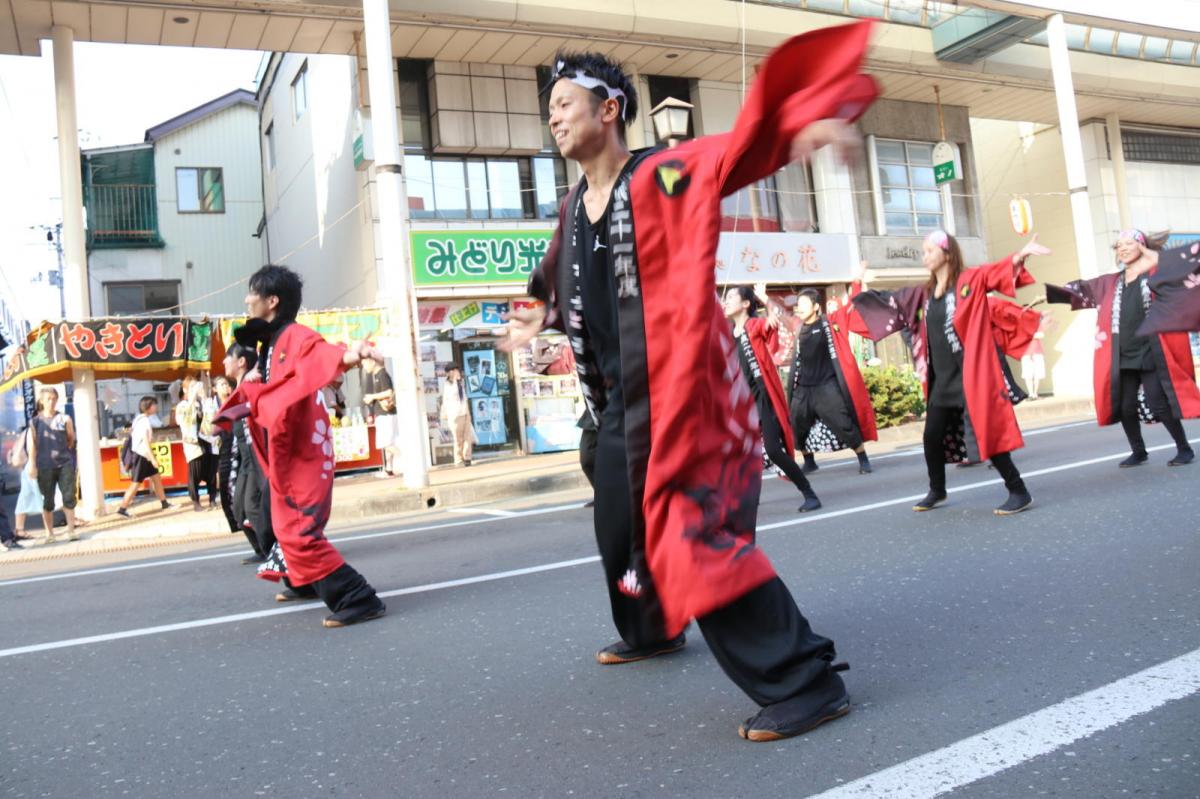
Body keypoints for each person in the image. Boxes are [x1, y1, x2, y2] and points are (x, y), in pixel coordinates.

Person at [499, 23, 877, 742]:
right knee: (618, 519)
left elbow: (728, 154)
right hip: (618, 405)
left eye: (564, 100)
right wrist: (526, 322)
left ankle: (804, 680)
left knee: (687, 537)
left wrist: (811, 123)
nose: (552, 115)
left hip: (684, 393)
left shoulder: (657, 175)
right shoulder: (574, 210)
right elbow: (546, 281)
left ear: (609, 108)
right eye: (548, 105)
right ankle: (653, 626)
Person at [217, 264, 385, 628]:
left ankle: (357, 596)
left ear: (271, 301)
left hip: (303, 452)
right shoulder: (272, 342)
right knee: (284, 525)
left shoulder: (294, 337)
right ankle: (304, 579)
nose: (247, 300)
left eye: (252, 293)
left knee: (298, 530)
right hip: (287, 449)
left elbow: (320, 354)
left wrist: (351, 354)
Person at [852, 230, 1051, 514]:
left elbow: (994, 274)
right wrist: (857, 285)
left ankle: (1019, 491)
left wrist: (1020, 254)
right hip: (942, 378)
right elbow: (889, 302)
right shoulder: (922, 294)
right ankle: (937, 490)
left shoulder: (969, 281)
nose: (925, 256)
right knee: (931, 436)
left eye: (929, 251)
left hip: (970, 373)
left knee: (988, 434)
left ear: (947, 253)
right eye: (923, 252)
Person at [1047, 230, 1199, 467]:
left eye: (1129, 243)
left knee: (1158, 400)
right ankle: (1138, 451)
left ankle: (1184, 448)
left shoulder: (1157, 274)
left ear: (1142, 246)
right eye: (1119, 245)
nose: (1123, 248)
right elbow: (1082, 290)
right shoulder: (1110, 282)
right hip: (1122, 353)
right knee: (1125, 405)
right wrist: (1050, 294)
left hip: (1152, 349)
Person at [722, 285, 821, 512]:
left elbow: (768, 325)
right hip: (742, 406)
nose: (726, 302)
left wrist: (770, 312)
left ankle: (809, 493)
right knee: (743, 454)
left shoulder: (753, 325)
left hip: (763, 400)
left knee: (774, 451)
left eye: (730, 297)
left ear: (746, 304)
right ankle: (748, 500)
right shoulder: (728, 333)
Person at [785, 286, 877, 475]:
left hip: (826, 384)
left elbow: (850, 306)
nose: (799, 308)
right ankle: (809, 461)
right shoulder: (799, 328)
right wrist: (764, 299)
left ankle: (862, 458)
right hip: (803, 387)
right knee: (797, 422)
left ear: (816, 306)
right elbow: (781, 318)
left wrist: (857, 281)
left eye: (804, 304)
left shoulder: (829, 323)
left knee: (842, 422)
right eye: (798, 304)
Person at [223, 341, 276, 566]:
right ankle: (261, 547)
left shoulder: (253, 383)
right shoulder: (239, 387)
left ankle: (273, 549)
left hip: (256, 453)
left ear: (241, 361)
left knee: (253, 505)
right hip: (243, 455)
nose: (224, 361)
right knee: (238, 506)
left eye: (228, 357)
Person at [27, 387, 78, 542]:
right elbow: (32, 445)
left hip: (64, 463)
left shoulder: (65, 418)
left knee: (69, 496)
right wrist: (32, 465)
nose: (52, 401)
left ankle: (71, 530)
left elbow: (71, 439)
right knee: (47, 500)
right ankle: (49, 533)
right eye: (48, 398)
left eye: (54, 398)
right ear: (42, 401)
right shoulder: (35, 422)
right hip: (44, 465)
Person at [115, 397, 171, 518]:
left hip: (143, 455)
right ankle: (122, 509)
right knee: (135, 483)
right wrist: (153, 458)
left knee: (156, 478)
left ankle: (164, 503)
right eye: (154, 405)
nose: (156, 407)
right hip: (141, 455)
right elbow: (145, 442)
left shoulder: (138, 419)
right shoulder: (144, 421)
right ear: (149, 407)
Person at [176, 377, 218, 512]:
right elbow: (185, 420)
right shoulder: (182, 405)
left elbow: (212, 416)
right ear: (185, 389)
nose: (195, 389)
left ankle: (212, 499)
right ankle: (196, 502)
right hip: (194, 444)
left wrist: (204, 397)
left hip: (208, 440)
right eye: (192, 386)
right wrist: (192, 398)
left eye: (196, 386)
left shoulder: (202, 403)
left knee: (211, 472)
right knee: (195, 473)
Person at [361, 356, 398, 477]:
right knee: (388, 443)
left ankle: (409, 460)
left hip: (385, 413)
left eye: (365, 364)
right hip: (384, 413)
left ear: (372, 361)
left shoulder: (382, 374)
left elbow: (388, 392)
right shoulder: (377, 375)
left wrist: (372, 397)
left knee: (385, 443)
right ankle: (389, 469)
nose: (364, 368)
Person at [213, 377, 240, 534]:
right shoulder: (210, 405)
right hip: (221, 450)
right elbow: (207, 429)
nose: (225, 387)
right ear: (215, 388)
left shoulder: (235, 402)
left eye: (227, 384)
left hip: (236, 448)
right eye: (221, 384)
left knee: (236, 487)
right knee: (224, 490)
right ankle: (234, 525)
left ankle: (241, 521)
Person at [439, 366, 475, 467]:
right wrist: (455, 381)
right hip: (455, 415)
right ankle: (459, 459)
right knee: (458, 439)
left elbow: (465, 398)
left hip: (464, 413)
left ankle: (467, 458)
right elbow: (452, 396)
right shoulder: (448, 385)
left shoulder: (460, 383)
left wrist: (468, 413)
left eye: (458, 370)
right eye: (456, 371)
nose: (458, 372)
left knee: (467, 436)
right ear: (451, 372)